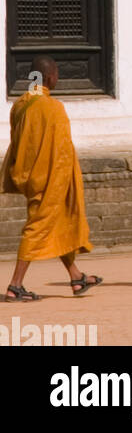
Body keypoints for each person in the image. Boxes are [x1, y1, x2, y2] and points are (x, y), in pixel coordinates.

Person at [1, 55, 100, 301]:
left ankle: (76, 278)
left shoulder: (21, 104)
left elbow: (19, 141)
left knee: (59, 224)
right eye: (56, 74)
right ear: (48, 77)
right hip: (50, 179)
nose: (58, 78)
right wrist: (67, 183)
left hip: (30, 174)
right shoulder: (53, 108)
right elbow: (63, 151)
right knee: (36, 228)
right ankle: (15, 285)